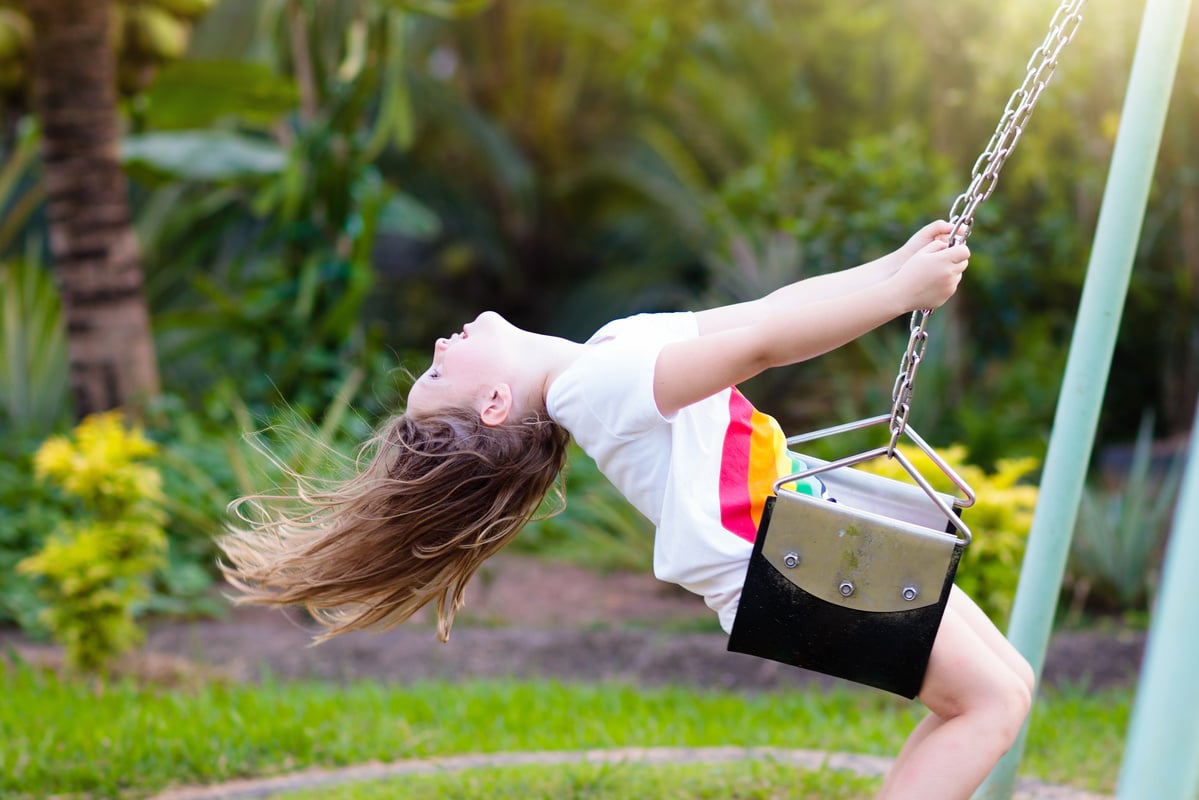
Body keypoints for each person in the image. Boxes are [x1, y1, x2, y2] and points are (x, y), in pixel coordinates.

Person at [220, 219, 1033, 800]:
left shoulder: (611, 348)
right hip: (782, 558)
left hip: (800, 538)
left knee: (1003, 688)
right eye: (439, 376)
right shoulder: (591, 390)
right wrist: (895, 297)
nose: (437, 348)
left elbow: (763, 312)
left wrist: (889, 271)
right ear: (497, 403)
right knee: (989, 702)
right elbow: (758, 348)